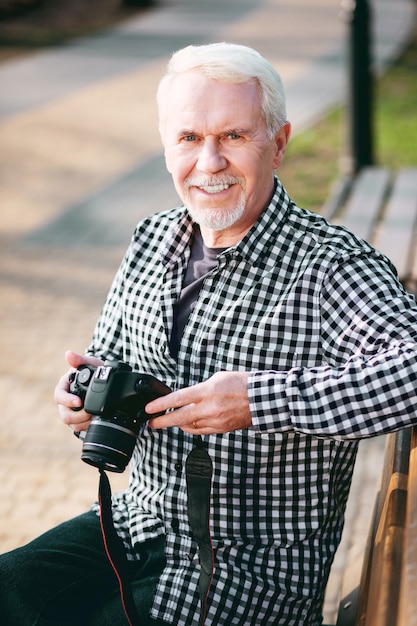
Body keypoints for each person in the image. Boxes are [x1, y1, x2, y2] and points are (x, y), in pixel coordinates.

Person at [2, 41, 417, 626]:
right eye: (189, 138)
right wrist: (83, 396)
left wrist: (258, 401)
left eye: (234, 136)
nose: (210, 162)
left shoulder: (331, 266)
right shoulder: (152, 238)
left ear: (278, 143)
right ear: (168, 145)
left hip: (251, 569)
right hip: (136, 523)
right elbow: (110, 358)